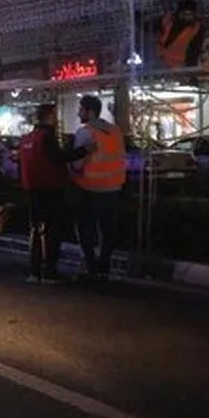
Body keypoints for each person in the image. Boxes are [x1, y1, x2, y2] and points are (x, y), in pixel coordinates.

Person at [18, 104, 85, 283]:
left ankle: (35, 271)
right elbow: (58, 158)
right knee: (52, 231)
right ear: (48, 116)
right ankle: (49, 271)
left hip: (31, 189)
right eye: (55, 115)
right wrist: (83, 151)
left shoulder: (27, 138)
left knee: (35, 229)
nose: (57, 119)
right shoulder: (47, 137)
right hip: (50, 189)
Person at [71, 95, 127, 282]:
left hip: (90, 188)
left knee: (86, 230)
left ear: (90, 112)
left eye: (81, 110)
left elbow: (77, 163)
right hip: (113, 188)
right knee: (107, 231)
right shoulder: (116, 131)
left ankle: (90, 267)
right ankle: (104, 268)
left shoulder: (85, 132)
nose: (78, 113)